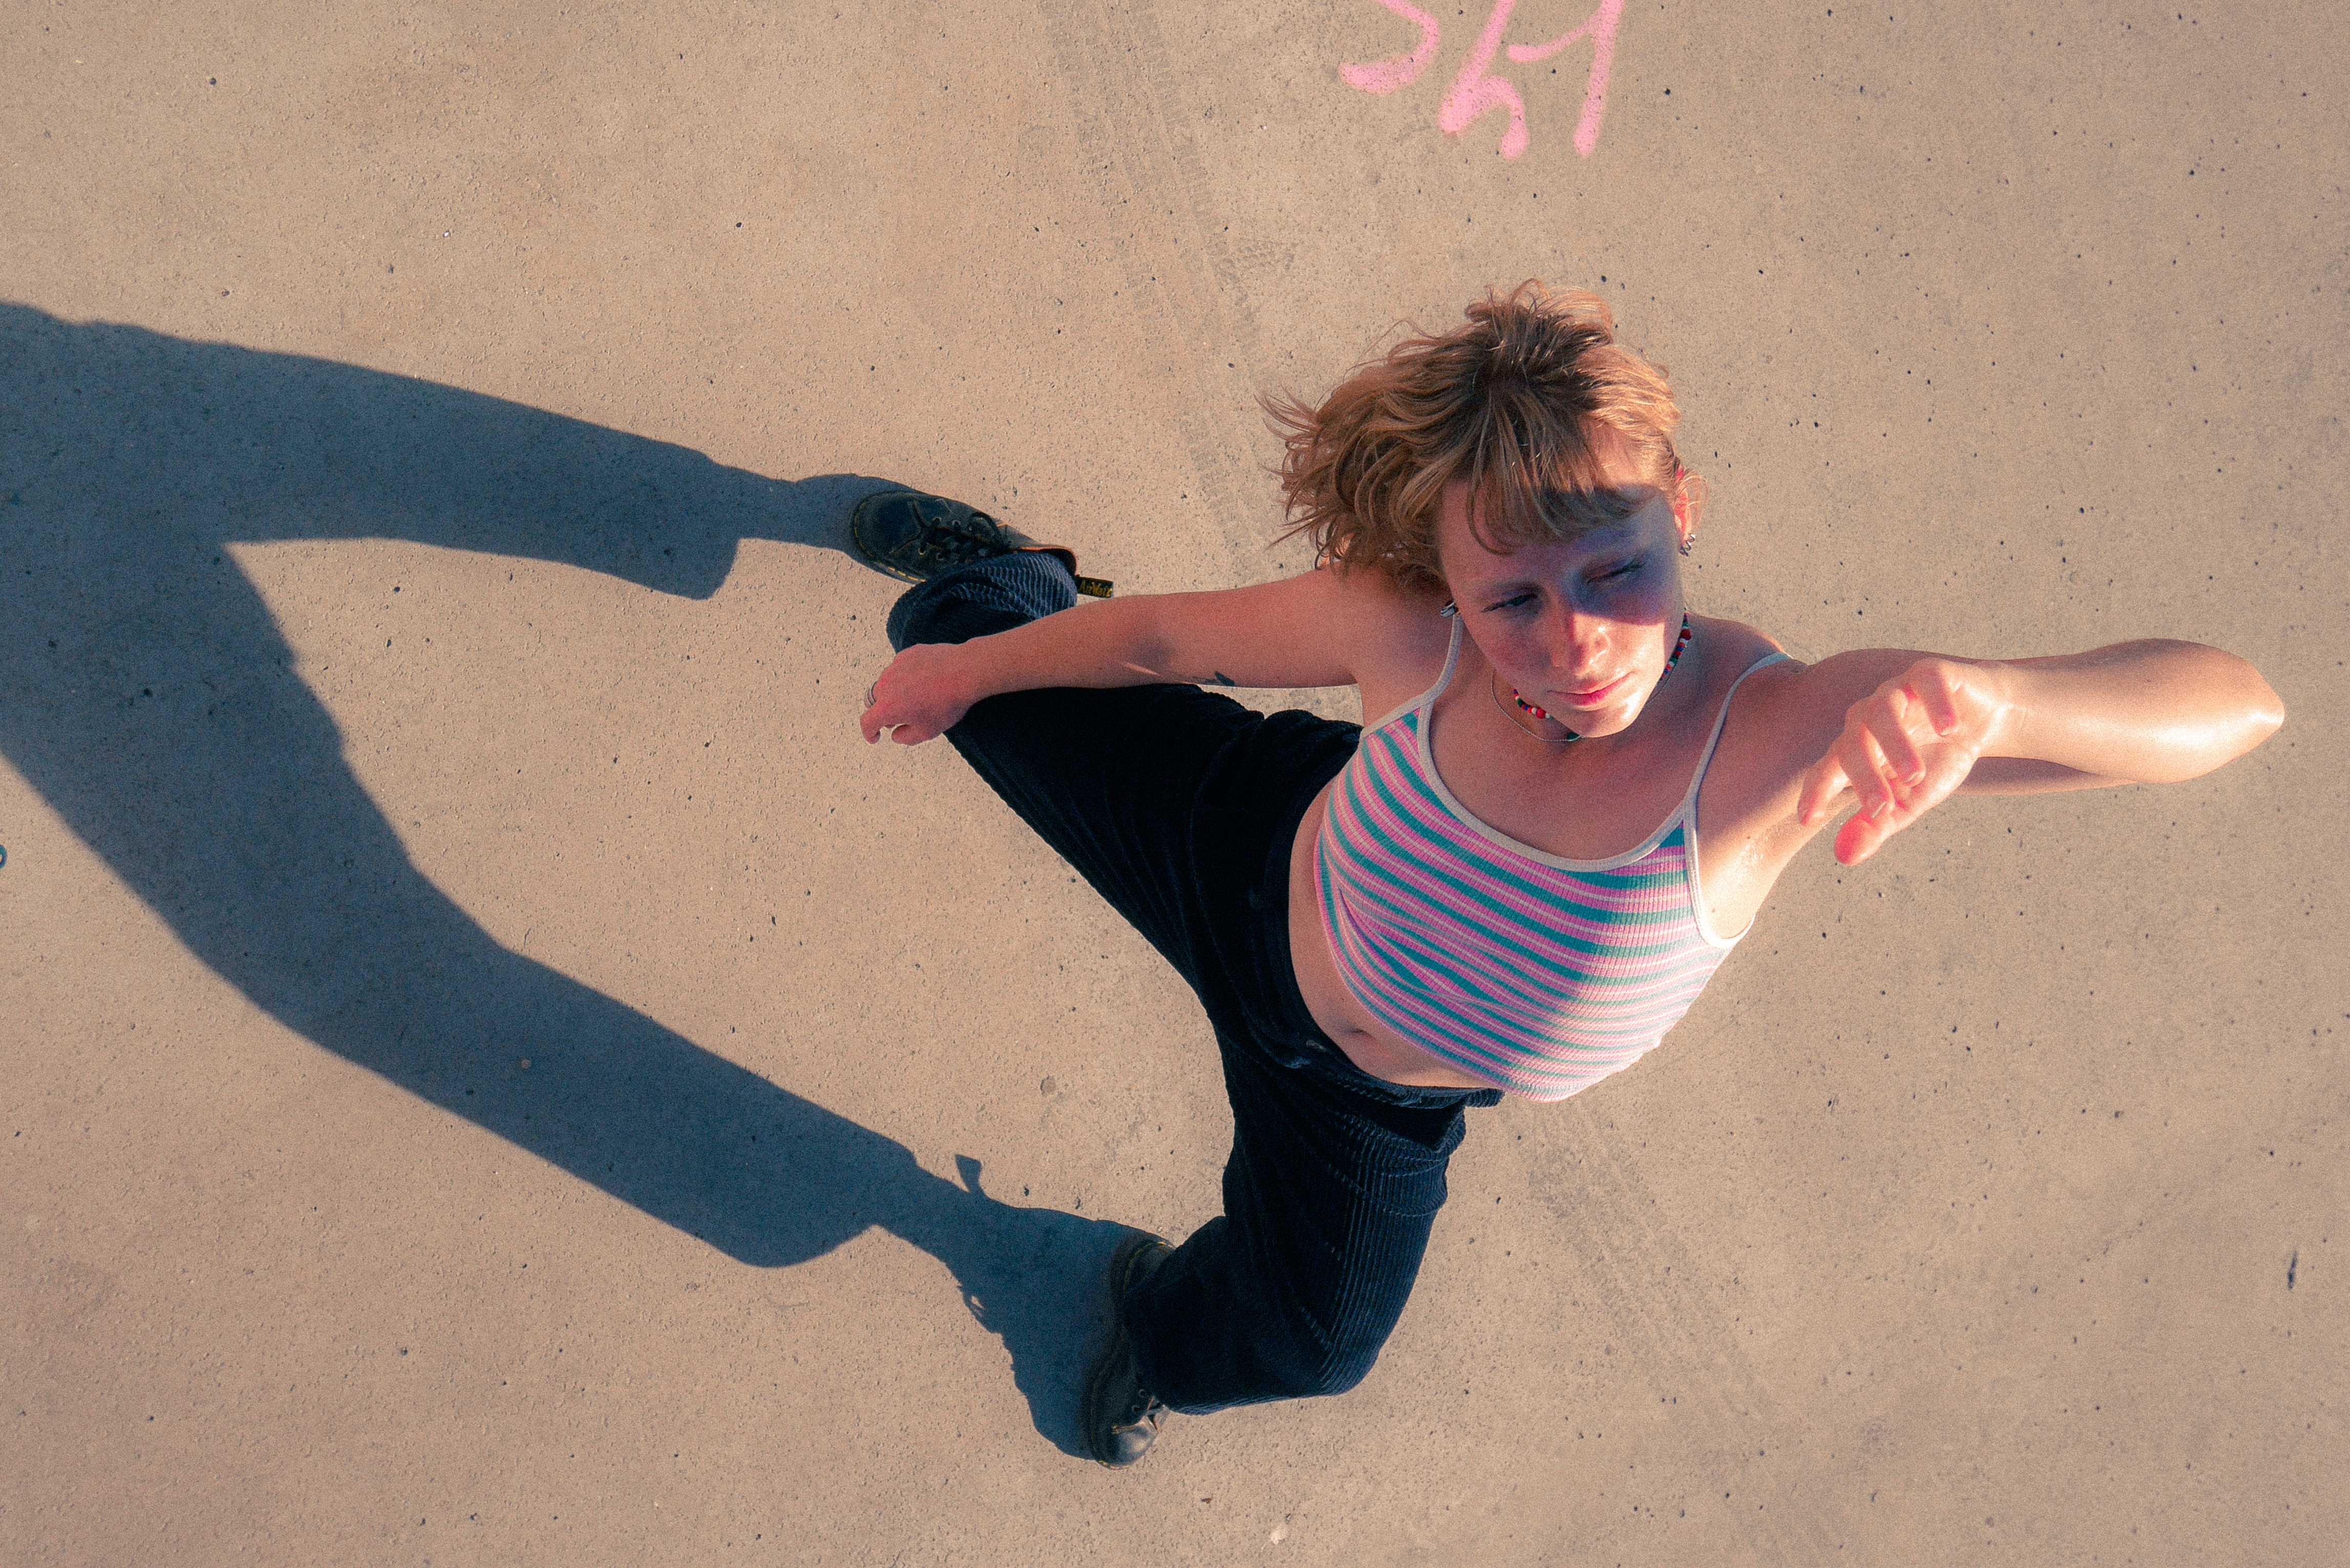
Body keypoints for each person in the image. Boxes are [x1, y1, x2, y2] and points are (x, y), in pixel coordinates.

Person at [850, 282, 2283, 1467]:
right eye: (1513, 601)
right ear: (1453, 582)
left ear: (1684, 514)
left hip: (1366, 1100)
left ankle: (1157, 1326)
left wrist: (2002, 702)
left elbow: (2233, 705)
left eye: (1615, 574)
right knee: (987, 686)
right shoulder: (1412, 629)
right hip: (1247, 861)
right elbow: (1166, 646)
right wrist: (962, 669)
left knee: (1314, 1342)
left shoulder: (1775, 743)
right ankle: (1001, 576)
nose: (1578, 643)